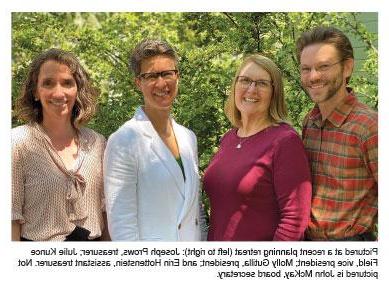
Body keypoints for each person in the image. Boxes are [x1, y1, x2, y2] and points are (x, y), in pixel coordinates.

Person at [203, 54, 312, 241]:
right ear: (235, 86)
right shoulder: (229, 138)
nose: (251, 90)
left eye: (261, 83)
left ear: (274, 93)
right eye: (245, 80)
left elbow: (294, 221)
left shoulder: (285, 141)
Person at [104, 39, 203, 241]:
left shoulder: (188, 137)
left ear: (177, 77)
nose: (161, 83)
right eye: (151, 76)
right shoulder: (124, 140)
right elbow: (122, 225)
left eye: (167, 73)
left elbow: (194, 213)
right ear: (138, 82)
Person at [12, 48, 108, 241]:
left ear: (77, 89)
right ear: (36, 92)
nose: (59, 92)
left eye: (67, 83)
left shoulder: (98, 143)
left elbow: (107, 213)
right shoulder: (16, 143)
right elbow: (10, 219)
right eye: (48, 83)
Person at [296, 26, 378, 241]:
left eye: (323, 66)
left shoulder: (370, 127)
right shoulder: (310, 123)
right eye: (306, 69)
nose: (313, 76)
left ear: (347, 67)